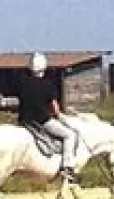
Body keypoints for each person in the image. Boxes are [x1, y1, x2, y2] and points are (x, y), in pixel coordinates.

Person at [11, 52, 79, 182]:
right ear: (44, 67)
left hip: (25, 121)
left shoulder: (22, 82)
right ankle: (67, 168)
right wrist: (61, 116)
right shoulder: (48, 85)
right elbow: (55, 109)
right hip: (42, 121)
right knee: (70, 135)